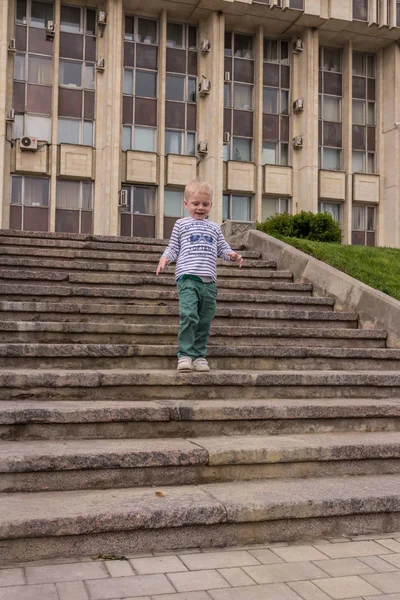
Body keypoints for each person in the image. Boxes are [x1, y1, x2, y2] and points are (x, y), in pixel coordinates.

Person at [156, 178, 243, 372]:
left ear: (211, 205)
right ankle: (185, 355)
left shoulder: (214, 228)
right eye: (196, 204)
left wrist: (233, 255)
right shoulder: (181, 225)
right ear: (186, 204)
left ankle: (199, 356)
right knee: (189, 315)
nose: (200, 208)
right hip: (187, 279)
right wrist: (165, 258)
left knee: (204, 320)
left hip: (209, 283)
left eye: (205, 204)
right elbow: (173, 247)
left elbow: (223, 248)